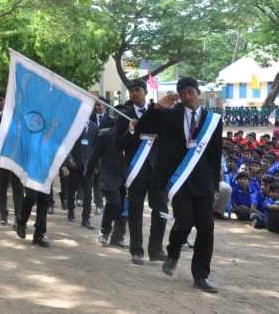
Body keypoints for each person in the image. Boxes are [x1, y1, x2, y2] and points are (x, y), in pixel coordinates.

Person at [136, 77, 222, 293]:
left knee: (206, 228)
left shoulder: (213, 120)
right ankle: (173, 253)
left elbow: (215, 155)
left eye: (190, 91)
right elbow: (142, 128)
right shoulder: (170, 115)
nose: (187, 96)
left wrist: (214, 186)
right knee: (184, 222)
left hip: (203, 181)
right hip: (179, 180)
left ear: (198, 92)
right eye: (182, 93)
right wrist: (157, 108)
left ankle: (201, 275)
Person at [116, 79, 168, 265]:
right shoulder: (125, 115)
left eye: (137, 90)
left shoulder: (158, 112)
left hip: (157, 169)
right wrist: (130, 131)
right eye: (131, 91)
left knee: (161, 209)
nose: (134, 94)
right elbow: (118, 144)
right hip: (136, 170)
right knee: (135, 211)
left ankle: (156, 249)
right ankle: (136, 250)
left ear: (145, 92)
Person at [87, 105, 127, 247]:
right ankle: (104, 232)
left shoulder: (134, 136)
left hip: (126, 178)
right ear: (115, 118)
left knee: (124, 208)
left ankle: (118, 236)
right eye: (120, 116)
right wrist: (89, 172)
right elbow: (95, 155)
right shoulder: (105, 135)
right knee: (115, 203)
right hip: (109, 176)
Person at [0, 93, 24, 226]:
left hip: (17, 158)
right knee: (2, 186)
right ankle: (3, 214)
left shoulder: (22, 117)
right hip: (4, 158)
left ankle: (18, 216)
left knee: (18, 189)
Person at [65, 118, 98, 229]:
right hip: (75, 164)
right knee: (71, 190)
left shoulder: (94, 127)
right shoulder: (74, 124)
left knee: (88, 193)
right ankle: (71, 210)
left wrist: (94, 163)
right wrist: (70, 159)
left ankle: (86, 218)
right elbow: (67, 143)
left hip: (88, 166)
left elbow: (96, 146)